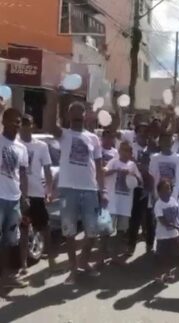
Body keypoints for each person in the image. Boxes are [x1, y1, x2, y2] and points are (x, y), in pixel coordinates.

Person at [50, 101, 107, 285]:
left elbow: (98, 167)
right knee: (69, 232)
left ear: (84, 115)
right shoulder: (63, 134)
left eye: (79, 112)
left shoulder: (93, 138)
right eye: (72, 112)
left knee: (93, 232)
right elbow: (51, 124)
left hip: (90, 190)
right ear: (68, 116)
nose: (76, 116)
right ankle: (74, 269)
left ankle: (83, 261)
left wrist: (103, 190)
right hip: (68, 191)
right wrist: (56, 97)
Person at [18, 114, 58, 275]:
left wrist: (49, 190)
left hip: (36, 194)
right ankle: (23, 265)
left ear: (33, 125)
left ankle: (51, 260)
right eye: (22, 123)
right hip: (20, 195)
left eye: (27, 123)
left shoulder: (41, 146)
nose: (24, 126)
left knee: (44, 227)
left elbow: (48, 169)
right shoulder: (15, 144)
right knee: (23, 230)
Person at [0, 108, 29, 288]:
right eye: (12, 120)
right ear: (3, 121)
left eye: (18, 121)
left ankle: (6, 277)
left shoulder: (22, 147)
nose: (16, 124)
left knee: (11, 240)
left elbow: (23, 173)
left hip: (14, 200)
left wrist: (24, 196)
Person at [101, 141, 142, 266]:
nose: (125, 152)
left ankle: (115, 256)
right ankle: (102, 256)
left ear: (131, 153)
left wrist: (132, 174)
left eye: (128, 150)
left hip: (125, 205)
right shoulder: (114, 161)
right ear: (119, 151)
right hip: (112, 203)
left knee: (121, 231)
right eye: (123, 150)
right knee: (106, 230)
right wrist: (116, 170)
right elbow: (103, 172)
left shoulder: (133, 165)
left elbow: (140, 182)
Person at [129, 122, 155, 255]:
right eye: (141, 131)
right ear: (136, 133)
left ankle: (150, 245)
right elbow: (131, 164)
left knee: (150, 217)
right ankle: (130, 246)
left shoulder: (153, 148)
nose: (143, 134)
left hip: (150, 187)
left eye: (146, 131)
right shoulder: (132, 147)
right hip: (137, 187)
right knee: (135, 217)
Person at [154, 179, 179, 283]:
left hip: (174, 235)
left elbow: (178, 217)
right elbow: (163, 221)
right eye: (165, 189)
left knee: (172, 255)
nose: (168, 191)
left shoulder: (174, 201)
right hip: (163, 236)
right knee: (162, 256)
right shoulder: (158, 204)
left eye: (169, 188)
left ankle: (168, 274)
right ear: (159, 191)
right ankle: (159, 275)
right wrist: (177, 227)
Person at [149, 131, 179, 201]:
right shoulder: (154, 158)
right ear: (159, 142)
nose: (166, 143)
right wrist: (152, 195)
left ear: (172, 143)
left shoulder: (178, 158)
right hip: (158, 196)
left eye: (168, 141)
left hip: (173, 197)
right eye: (164, 141)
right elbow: (151, 178)